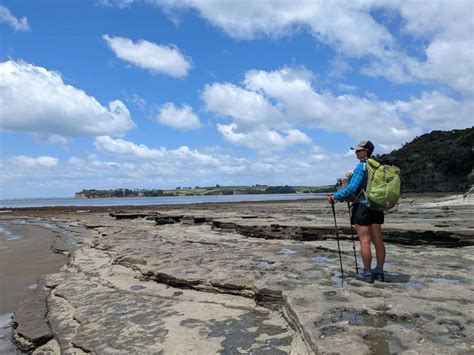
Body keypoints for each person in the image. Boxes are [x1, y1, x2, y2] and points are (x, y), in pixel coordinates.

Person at [327, 140, 385, 283]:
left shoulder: (362, 166)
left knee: (365, 240)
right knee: (378, 240)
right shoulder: (378, 166)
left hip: (363, 207)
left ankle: (367, 273)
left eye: (359, 150)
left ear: (366, 151)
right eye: (356, 150)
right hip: (377, 206)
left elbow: (352, 188)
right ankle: (379, 271)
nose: (356, 152)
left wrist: (335, 197)